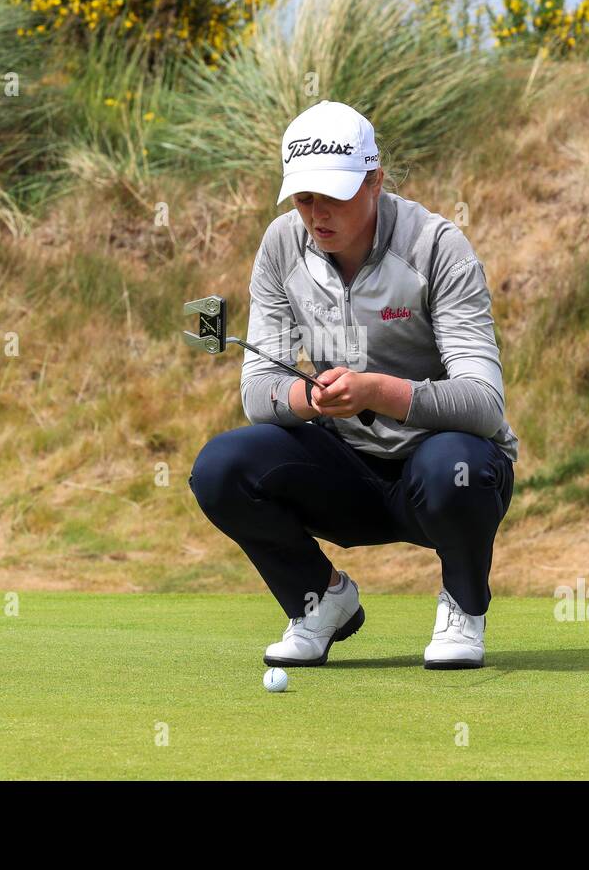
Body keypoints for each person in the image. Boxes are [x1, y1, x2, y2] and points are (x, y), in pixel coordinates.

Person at [188, 99, 519, 670]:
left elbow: (485, 405)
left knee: (457, 466)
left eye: (334, 195)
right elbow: (256, 390)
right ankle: (320, 602)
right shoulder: (281, 244)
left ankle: (464, 606)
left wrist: (375, 391)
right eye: (303, 197)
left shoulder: (437, 246)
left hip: (437, 471)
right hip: (344, 472)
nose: (317, 214)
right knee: (220, 467)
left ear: (375, 181)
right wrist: (310, 398)